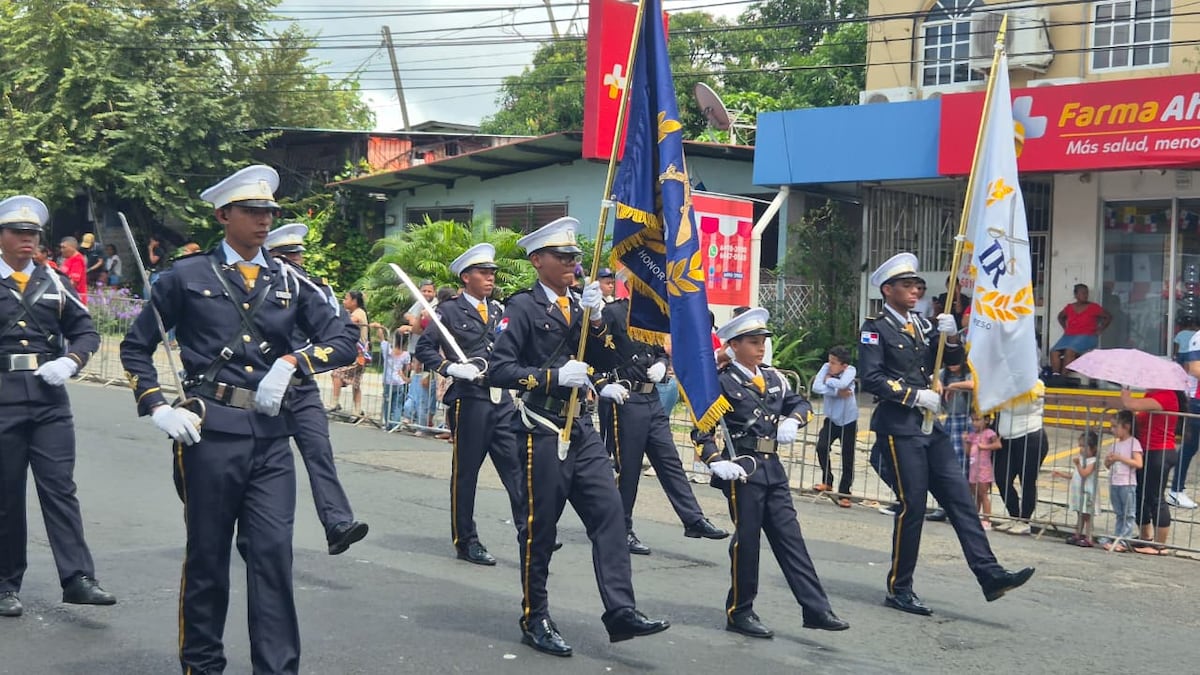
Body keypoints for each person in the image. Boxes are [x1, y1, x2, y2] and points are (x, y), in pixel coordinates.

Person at [119, 165, 358, 674]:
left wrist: (295, 362)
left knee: (273, 557)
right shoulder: (186, 276)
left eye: (269, 212)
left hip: (271, 437)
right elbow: (136, 347)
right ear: (223, 215)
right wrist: (157, 406)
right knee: (208, 558)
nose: (264, 221)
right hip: (209, 433)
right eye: (252, 211)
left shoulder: (291, 279)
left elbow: (344, 340)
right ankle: (202, 666)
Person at [489, 216, 669, 657]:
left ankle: (620, 610)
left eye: (575, 256)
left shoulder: (583, 306)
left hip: (582, 428)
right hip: (543, 429)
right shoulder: (522, 308)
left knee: (610, 516)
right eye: (562, 256)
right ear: (537, 261)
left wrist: (599, 319)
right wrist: (551, 377)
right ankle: (535, 615)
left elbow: (613, 358)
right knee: (541, 530)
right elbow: (499, 370)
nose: (572, 263)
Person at [859, 252, 1034, 616]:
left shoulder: (923, 325)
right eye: (906, 285)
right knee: (914, 506)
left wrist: (951, 337)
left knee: (960, 500)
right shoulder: (875, 328)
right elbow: (872, 377)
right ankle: (899, 588)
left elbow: (951, 361)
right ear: (887, 290)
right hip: (899, 426)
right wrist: (912, 395)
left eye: (917, 285)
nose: (914, 290)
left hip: (929, 426)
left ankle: (989, 574)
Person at [694, 308, 849, 639]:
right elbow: (701, 430)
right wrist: (715, 460)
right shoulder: (721, 382)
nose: (760, 347)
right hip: (743, 469)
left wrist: (794, 419)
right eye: (752, 342)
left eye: (763, 341)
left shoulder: (776, 378)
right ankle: (740, 610)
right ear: (734, 345)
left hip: (773, 469)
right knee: (747, 542)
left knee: (791, 539)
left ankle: (816, 608)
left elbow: (801, 404)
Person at [0, 196, 117, 619]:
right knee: (6, 495)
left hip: (49, 400)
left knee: (60, 488)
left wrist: (72, 360)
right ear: (2, 237)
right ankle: (4, 583)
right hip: (3, 398)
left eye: (33, 234)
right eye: (18, 232)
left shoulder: (55, 282)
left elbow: (85, 331)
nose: (27, 240)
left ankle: (78, 578)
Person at [414, 243, 527, 566]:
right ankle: (466, 540)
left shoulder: (499, 311)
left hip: (501, 400)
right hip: (471, 400)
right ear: (466, 277)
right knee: (466, 475)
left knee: (516, 470)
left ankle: (529, 532)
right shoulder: (448, 311)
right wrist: (450, 368)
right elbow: (425, 349)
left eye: (492, 272)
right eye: (483, 272)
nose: (490, 277)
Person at [597, 286, 728, 556]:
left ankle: (693, 518)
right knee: (628, 470)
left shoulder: (651, 313)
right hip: (626, 396)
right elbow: (596, 348)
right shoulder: (614, 311)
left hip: (651, 397)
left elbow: (657, 349)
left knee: (670, 461)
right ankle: (621, 528)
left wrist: (660, 362)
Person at [265, 223, 368, 556]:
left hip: (300, 381)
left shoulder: (312, 288)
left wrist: (300, 361)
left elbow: (339, 335)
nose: (295, 262)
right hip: (264, 384)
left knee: (319, 451)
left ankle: (337, 523)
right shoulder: (260, 287)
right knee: (263, 462)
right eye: (287, 256)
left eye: (297, 256)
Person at [1121, 386, 1183, 555]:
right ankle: (1144, 537)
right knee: (1141, 495)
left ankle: (1160, 544)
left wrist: (1125, 391)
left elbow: (1131, 404)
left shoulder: (1166, 395)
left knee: (1155, 497)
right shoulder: (1151, 394)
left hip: (1160, 451)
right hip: (1147, 450)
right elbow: (1140, 417)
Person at [992, 382, 1049, 535]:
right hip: (1006, 438)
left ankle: (1024, 520)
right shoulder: (1004, 383)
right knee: (1001, 478)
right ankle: (1014, 515)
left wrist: (1002, 396)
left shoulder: (1036, 384)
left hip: (1030, 437)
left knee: (1027, 480)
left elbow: (1021, 407)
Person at [810, 345, 858, 507]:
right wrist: (836, 392)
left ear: (843, 365)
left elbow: (844, 384)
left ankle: (845, 492)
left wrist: (829, 381)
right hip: (831, 419)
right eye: (829, 361)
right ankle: (827, 480)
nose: (829, 365)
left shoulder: (850, 370)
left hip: (849, 420)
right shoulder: (825, 367)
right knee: (821, 447)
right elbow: (816, 386)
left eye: (834, 363)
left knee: (848, 456)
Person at [1049, 284, 1112, 377]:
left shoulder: (1093, 307)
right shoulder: (1070, 307)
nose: (1085, 295)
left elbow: (1108, 317)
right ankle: (1055, 376)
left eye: (1086, 293)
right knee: (1054, 352)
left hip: (1087, 336)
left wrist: (1100, 329)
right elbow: (1060, 317)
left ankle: (1063, 377)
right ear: (1076, 295)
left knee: (1069, 351)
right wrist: (1065, 328)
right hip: (1069, 336)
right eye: (1083, 293)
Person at [1104, 410, 1143, 552]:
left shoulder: (1134, 443)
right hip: (1115, 482)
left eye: (1115, 426)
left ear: (1126, 427)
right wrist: (1108, 461)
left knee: (1128, 513)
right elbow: (1107, 464)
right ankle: (1118, 536)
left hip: (1127, 483)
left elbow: (1138, 463)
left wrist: (1120, 458)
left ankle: (1125, 540)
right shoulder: (1115, 444)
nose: (1112, 429)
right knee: (1120, 513)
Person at [1054, 431, 1100, 547]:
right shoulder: (1082, 459)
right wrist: (1062, 474)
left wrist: (1078, 465)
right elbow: (1076, 475)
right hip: (1079, 491)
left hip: (1088, 492)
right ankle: (1077, 534)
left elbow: (1084, 473)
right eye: (1080, 446)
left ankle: (1089, 537)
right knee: (1080, 514)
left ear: (1093, 448)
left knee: (1087, 516)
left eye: (1084, 447)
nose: (1081, 449)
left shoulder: (1093, 461)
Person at [1170, 334, 1200, 509]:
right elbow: (1194, 368)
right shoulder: (1198, 337)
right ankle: (1176, 490)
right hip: (1196, 401)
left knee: (1190, 446)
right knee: (1189, 446)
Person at [329, 290, 368, 417]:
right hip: (355, 352)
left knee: (337, 374)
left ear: (354, 301)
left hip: (359, 353)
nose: (344, 301)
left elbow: (351, 321)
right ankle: (357, 410)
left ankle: (334, 403)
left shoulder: (358, 313)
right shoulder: (352, 312)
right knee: (356, 383)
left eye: (346, 299)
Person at [964, 413, 999, 530]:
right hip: (973, 467)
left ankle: (986, 520)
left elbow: (998, 444)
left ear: (986, 420)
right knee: (975, 496)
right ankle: (975, 517)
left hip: (984, 468)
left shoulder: (989, 433)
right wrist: (965, 441)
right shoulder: (973, 435)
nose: (975, 423)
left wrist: (984, 447)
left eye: (978, 420)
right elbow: (968, 452)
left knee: (983, 494)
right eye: (973, 420)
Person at [377, 325, 410, 431]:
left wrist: (379, 328)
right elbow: (407, 367)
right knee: (397, 405)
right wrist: (403, 376)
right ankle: (395, 424)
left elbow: (381, 338)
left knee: (387, 402)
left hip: (388, 380)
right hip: (399, 381)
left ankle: (387, 423)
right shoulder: (406, 354)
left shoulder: (388, 350)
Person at [58, 236, 88, 304]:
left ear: (73, 247)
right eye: (61, 247)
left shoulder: (77, 260)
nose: (61, 250)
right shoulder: (68, 259)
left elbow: (73, 283)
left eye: (64, 247)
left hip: (75, 299)